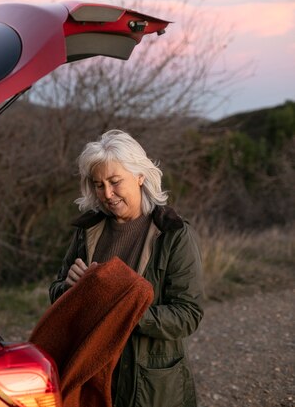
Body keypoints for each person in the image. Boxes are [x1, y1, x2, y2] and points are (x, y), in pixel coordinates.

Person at [49, 129, 204, 407]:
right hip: (91, 375)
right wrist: (69, 289)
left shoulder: (173, 234)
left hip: (149, 385)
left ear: (140, 176)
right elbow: (57, 292)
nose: (107, 194)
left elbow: (187, 315)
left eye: (115, 181)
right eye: (98, 185)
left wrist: (122, 311)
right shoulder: (88, 231)